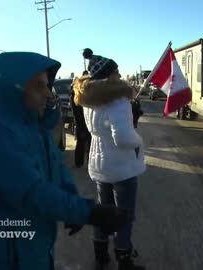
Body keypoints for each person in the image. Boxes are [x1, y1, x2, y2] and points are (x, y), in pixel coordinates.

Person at [0, 52, 129, 270]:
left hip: (34, 246)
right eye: (38, 87)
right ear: (15, 87)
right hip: (9, 254)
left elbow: (56, 166)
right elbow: (30, 191)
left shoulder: (32, 125)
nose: (48, 94)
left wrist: (70, 194)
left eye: (47, 86)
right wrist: (88, 212)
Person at [73, 55, 146, 270]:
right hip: (121, 166)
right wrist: (139, 140)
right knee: (124, 215)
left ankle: (101, 253)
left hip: (98, 163)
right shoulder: (117, 100)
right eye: (116, 71)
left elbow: (96, 130)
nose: (120, 74)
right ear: (109, 75)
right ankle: (124, 258)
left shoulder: (89, 98)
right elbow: (123, 137)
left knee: (103, 212)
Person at [70, 70, 92, 167]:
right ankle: (88, 163)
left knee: (81, 143)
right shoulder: (79, 95)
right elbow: (78, 112)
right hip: (83, 122)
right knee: (87, 144)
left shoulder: (75, 94)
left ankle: (79, 163)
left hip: (80, 123)